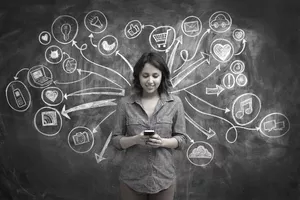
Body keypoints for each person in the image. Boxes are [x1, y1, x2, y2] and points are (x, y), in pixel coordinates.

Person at [112, 52, 187, 200]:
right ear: (138, 77)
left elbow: (182, 140)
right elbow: (116, 140)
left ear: (162, 76)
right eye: (145, 75)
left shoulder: (175, 103)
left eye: (155, 75)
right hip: (131, 180)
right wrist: (135, 140)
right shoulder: (125, 104)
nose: (150, 81)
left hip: (164, 179)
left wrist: (162, 142)